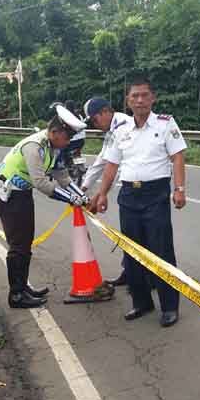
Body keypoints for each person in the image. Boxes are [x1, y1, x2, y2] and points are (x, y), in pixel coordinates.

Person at [93, 80, 187, 328]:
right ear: (128, 101)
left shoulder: (166, 124)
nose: (140, 100)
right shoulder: (121, 131)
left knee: (161, 251)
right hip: (128, 196)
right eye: (135, 96)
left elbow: (177, 157)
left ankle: (169, 307)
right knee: (132, 252)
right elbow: (111, 164)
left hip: (155, 195)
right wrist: (102, 194)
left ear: (152, 98)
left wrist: (179, 189)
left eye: (144, 95)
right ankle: (142, 302)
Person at [0, 105, 89, 309]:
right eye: (66, 137)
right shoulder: (34, 146)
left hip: (22, 193)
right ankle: (16, 294)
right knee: (18, 244)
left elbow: (62, 176)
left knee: (26, 241)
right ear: (55, 132)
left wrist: (81, 196)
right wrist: (71, 199)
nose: (68, 142)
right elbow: (41, 182)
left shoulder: (53, 147)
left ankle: (23, 287)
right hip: (8, 194)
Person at [82, 97, 133, 288]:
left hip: (138, 185)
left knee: (140, 236)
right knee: (129, 234)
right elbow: (101, 160)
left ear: (105, 112)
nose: (95, 125)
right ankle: (129, 271)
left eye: (95, 120)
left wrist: (100, 194)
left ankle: (145, 277)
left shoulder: (122, 127)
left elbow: (114, 167)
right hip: (127, 185)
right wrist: (83, 188)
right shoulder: (112, 129)